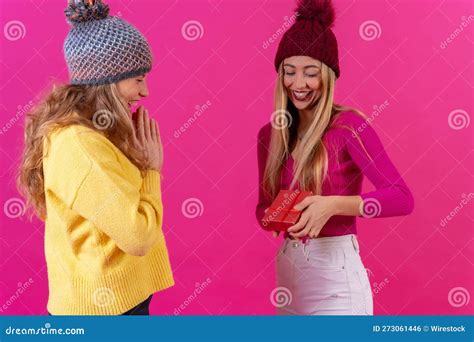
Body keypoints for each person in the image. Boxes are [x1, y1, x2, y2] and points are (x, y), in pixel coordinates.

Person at [256, 0, 414, 315]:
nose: (297, 84)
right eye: (289, 71)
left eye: (310, 73)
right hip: (288, 270)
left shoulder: (348, 128)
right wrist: (278, 216)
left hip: (335, 276)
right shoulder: (270, 135)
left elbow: (402, 198)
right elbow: (262, 208)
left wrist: (331, 206)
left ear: (327, 77)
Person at [17, 0, 174, 315]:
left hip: (121, 300)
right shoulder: (78, 144)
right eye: (138, 78)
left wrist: (139, 164)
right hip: (103, 312)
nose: (145, 92)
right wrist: (152, 171)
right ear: (108, 81)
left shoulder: (95, 131)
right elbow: (138, 237)